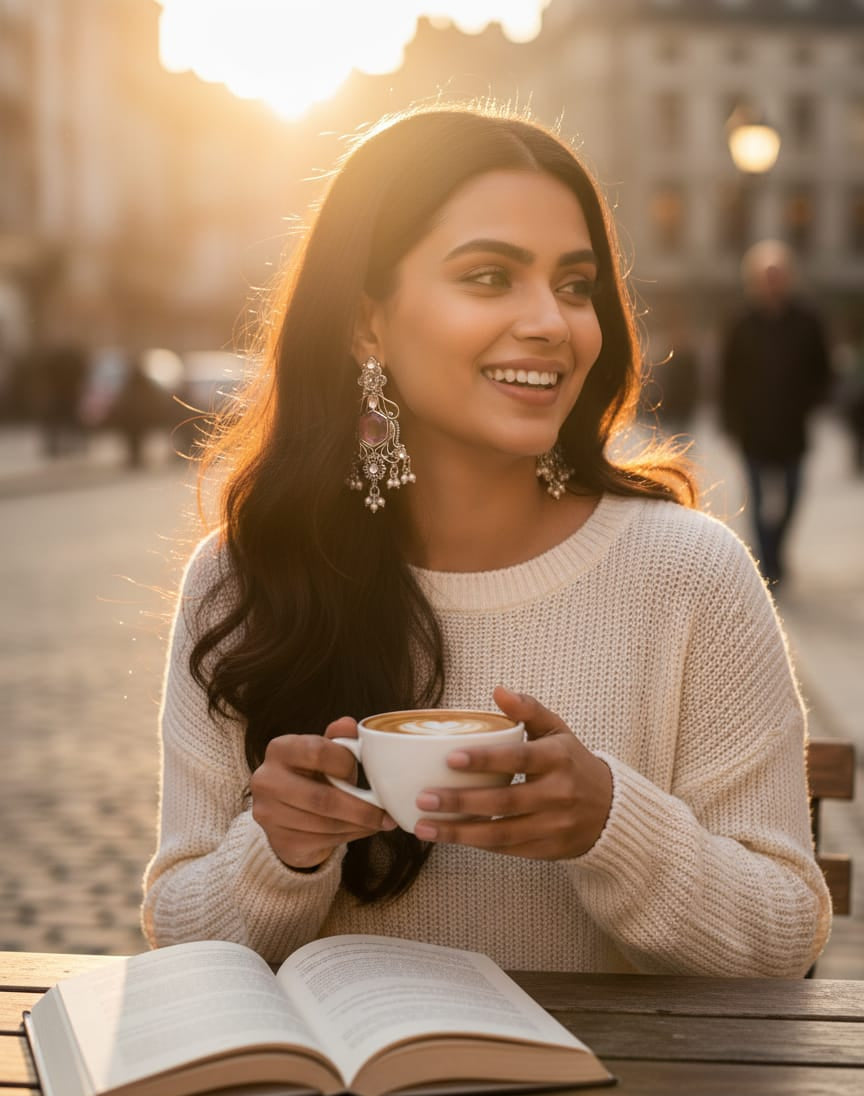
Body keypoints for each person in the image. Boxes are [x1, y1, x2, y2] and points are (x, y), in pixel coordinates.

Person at [142, 107, 829, 976]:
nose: (552, 322)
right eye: (490, 276)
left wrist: (613, 825)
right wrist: (281, 852)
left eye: (575, 285)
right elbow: (176, 933)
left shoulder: (689, 575)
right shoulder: (248, 576)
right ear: (367, 324)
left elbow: (784, 933)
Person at [720, 240, 831, 585]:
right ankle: (768, 563)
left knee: (793, 495)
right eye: (766, 277)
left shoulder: (807, 321)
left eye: (777, 276)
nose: (772, 283)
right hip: (753, 429)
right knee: (756, 498)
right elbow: (728, 376)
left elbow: (823, 370)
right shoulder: (741, 323)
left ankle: (776, 550)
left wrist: (810, 402)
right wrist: (731, 420)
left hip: (792, 428)